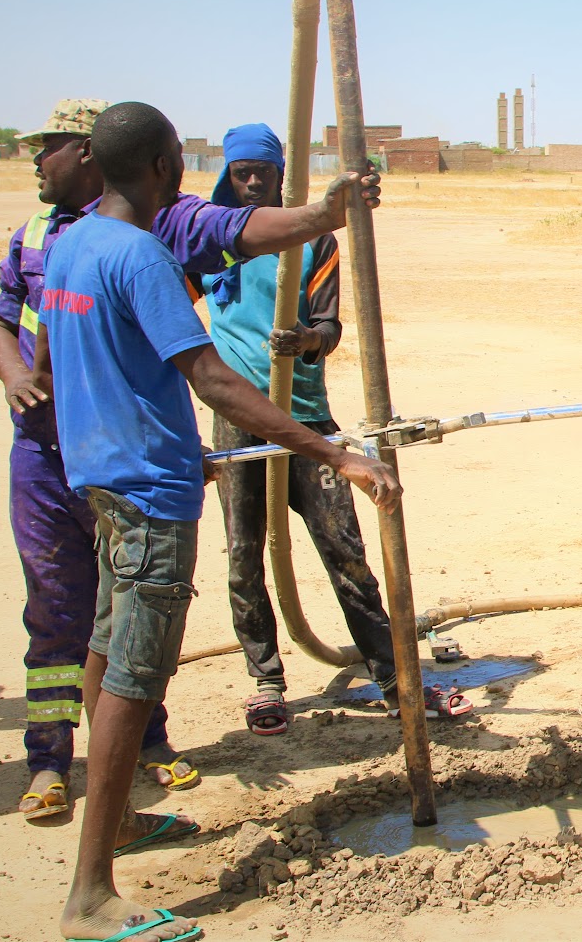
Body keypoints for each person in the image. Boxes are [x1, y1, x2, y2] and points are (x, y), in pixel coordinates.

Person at [37, 100, 400, 942]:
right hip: (152, 492)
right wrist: (334, 454)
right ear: (167, 166)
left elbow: (80, 363)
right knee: (135, 671)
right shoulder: (141, 257)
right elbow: (214, 379)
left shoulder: (72, 244)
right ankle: (90, 894)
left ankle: (120, 813)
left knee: (102, 642)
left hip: (100, 477)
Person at [194, 123, 403, 732]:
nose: (254, 181)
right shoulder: (209, 245)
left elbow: (330, 328)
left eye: (263, 171)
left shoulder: (311, 241)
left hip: (306, 419)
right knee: (242, 557)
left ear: (282, 174)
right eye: (242, 173)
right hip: (238, 424)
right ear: (228, 177)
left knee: (346, 551)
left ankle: (391, 671)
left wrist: (307, 339)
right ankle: (266, 680)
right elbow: (172, 320)